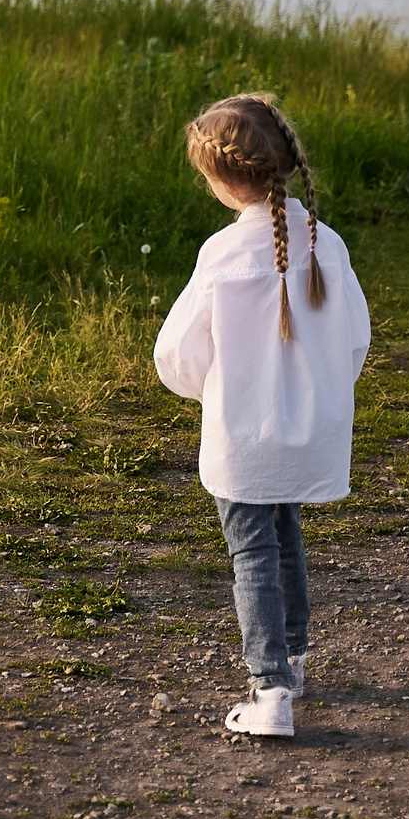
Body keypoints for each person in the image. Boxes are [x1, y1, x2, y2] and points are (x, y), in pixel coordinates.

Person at [152, 93, 371, 739]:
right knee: (285, 535)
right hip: (309, 433)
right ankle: (293, 659)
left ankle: (270, 691)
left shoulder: (222, 253)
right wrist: (324, 395)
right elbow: (355, 338)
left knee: (252, 551)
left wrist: (211, 392)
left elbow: (178, 352)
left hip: (243, 437)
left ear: (223, 183)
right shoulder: (327, 243)